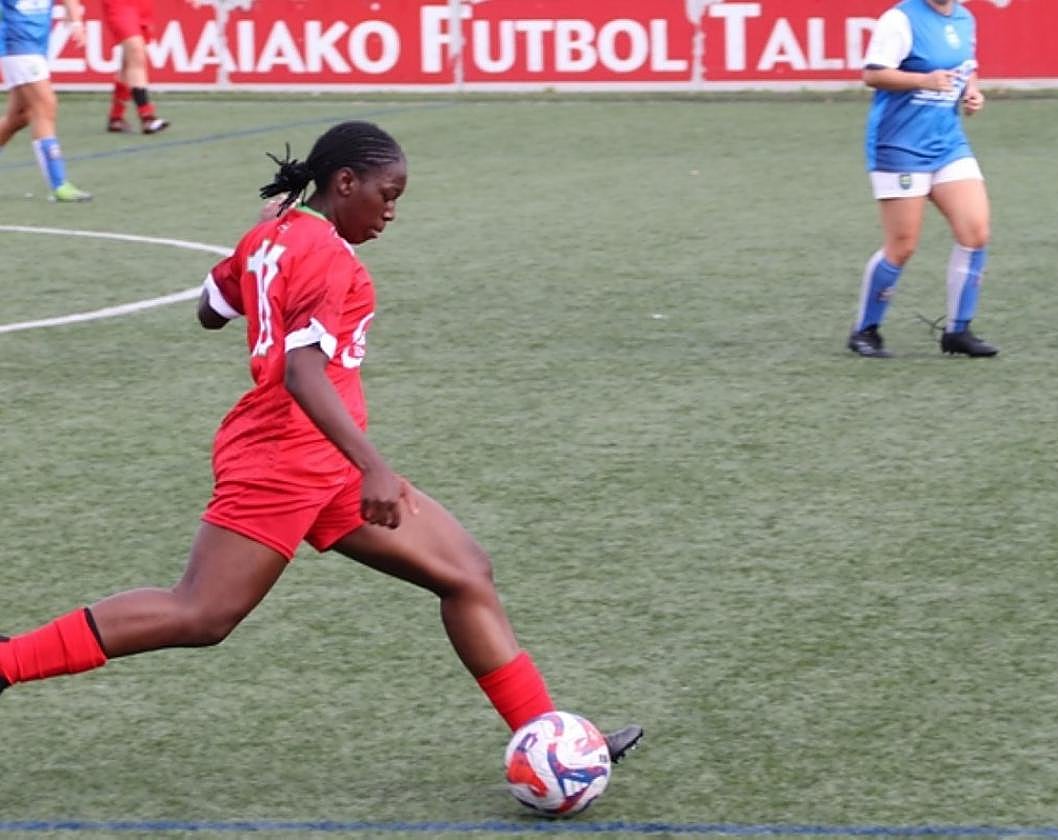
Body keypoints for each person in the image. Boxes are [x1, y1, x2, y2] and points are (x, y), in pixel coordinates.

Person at [0, 121, 643, 768]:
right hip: (285, 455)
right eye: (386, 195)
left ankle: (550, 742)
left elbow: (209, 308)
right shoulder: (325, 253)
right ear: (344, 183)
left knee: (466, 572)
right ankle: (6, 661)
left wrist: (261, 245)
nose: (391, 211)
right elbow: (301, 372)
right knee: (200, 614)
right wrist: (376, 468)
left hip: (319, 456)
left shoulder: (275, 236)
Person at [846, 0, 997, 358]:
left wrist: (972, 93)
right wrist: (922, 80)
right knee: (903, 245)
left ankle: (958, 331)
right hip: (900, 145)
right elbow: (873, 74)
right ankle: (865, 330)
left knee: (975, 232)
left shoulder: (964, 17)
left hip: (947, 142)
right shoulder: (901, 19)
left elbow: (966, 68)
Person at [0, 0, 92, 201]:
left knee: (19, 117)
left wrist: (76, 22)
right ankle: (59, 184)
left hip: (36, 46)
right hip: (16, 44)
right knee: (45, 105)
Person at [101, 0, 167, 133]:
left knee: (130, 59)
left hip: (143, 5)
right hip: (119, 5)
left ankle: (116, 117)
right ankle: (147, 116)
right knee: (136, 52)